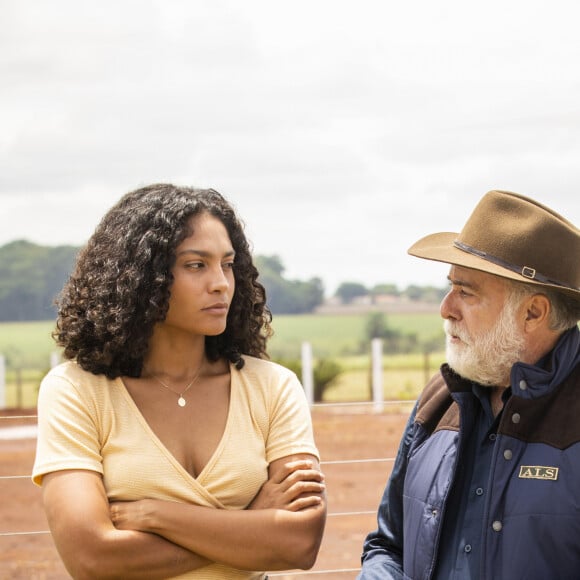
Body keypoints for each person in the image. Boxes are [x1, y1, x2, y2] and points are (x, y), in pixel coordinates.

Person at [32, 183, 327, 580]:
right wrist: (251, 523)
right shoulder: (76, 391)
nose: (221, 282)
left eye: (227, 263)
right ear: (141, 278)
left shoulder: (272, 387)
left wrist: (157, 515)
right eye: (195, 265)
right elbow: (91, 559)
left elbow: (299, 543)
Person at [359, 190, 580, 580]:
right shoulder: (439, 399)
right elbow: (388, 544)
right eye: (450, 287)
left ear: (533, 312)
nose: (446, 308)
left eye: (466, 291)